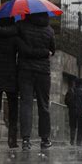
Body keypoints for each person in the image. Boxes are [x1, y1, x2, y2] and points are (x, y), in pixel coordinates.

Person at [0, 17, 50, 150]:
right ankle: (12, 139)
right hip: (11, 76)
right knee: (13, 108)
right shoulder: (15, 39)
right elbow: (27, 51)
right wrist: (44, 52)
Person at [17, 12, 55, 151]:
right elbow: (53, 49)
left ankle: (26, 140)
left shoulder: (21, 26)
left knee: (26, 104)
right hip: (43, 72)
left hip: (25, 70)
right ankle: (45, 139)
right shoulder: (49, 30)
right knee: (43, 105)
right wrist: (44, 52)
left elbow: (18, 46)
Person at [65, 79, 82, 146]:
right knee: (80, 127)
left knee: (72, 126)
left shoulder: (70, 91)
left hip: (72, 111)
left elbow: (66, 101)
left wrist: (70, 107)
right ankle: (79, 142)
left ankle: (72, 141)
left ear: (75, 83)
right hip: (81, 112)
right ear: (81, 84)